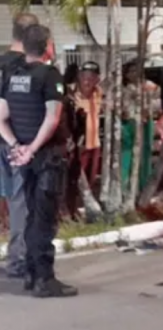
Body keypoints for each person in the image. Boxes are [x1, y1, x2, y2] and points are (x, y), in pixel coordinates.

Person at [0, 24, 77, 298]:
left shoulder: (13, 75)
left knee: (32, 216)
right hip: (46, 158)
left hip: (26, 159)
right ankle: (44, 279)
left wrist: (17, 146)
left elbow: (0, 119)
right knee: (44, 219)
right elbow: (52, 119)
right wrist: (31, 149)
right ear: (48, 46)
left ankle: (31, 275)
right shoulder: (49, 75)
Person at [0, 12, 39, 276]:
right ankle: (18, 260)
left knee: (12, 200)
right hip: (19, 141)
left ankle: (19, 257)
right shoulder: (24, 65)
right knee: (21, 203)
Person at [66, 61, 103, 217]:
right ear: (79, 77)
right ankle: (71, 210)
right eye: (85, 77)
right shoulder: (72, 95)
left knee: (91, 179)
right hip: (79, 145)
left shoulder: (98, 93)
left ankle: (86, 209)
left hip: (94, 143)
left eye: (92, 78)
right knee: (75, 180)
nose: (88, 81)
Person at [121, 60, 161, 193]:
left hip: (146, 122)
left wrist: (149, 108)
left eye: (136, 71)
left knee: (146, 153)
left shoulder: (149, 86)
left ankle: (144, 185)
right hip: (130, 124)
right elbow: (123, 109)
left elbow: (158, 100)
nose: (134, 74)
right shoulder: (124, 89)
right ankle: (125, 188)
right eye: (130, 71)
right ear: (126, 75)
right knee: (128, 155)